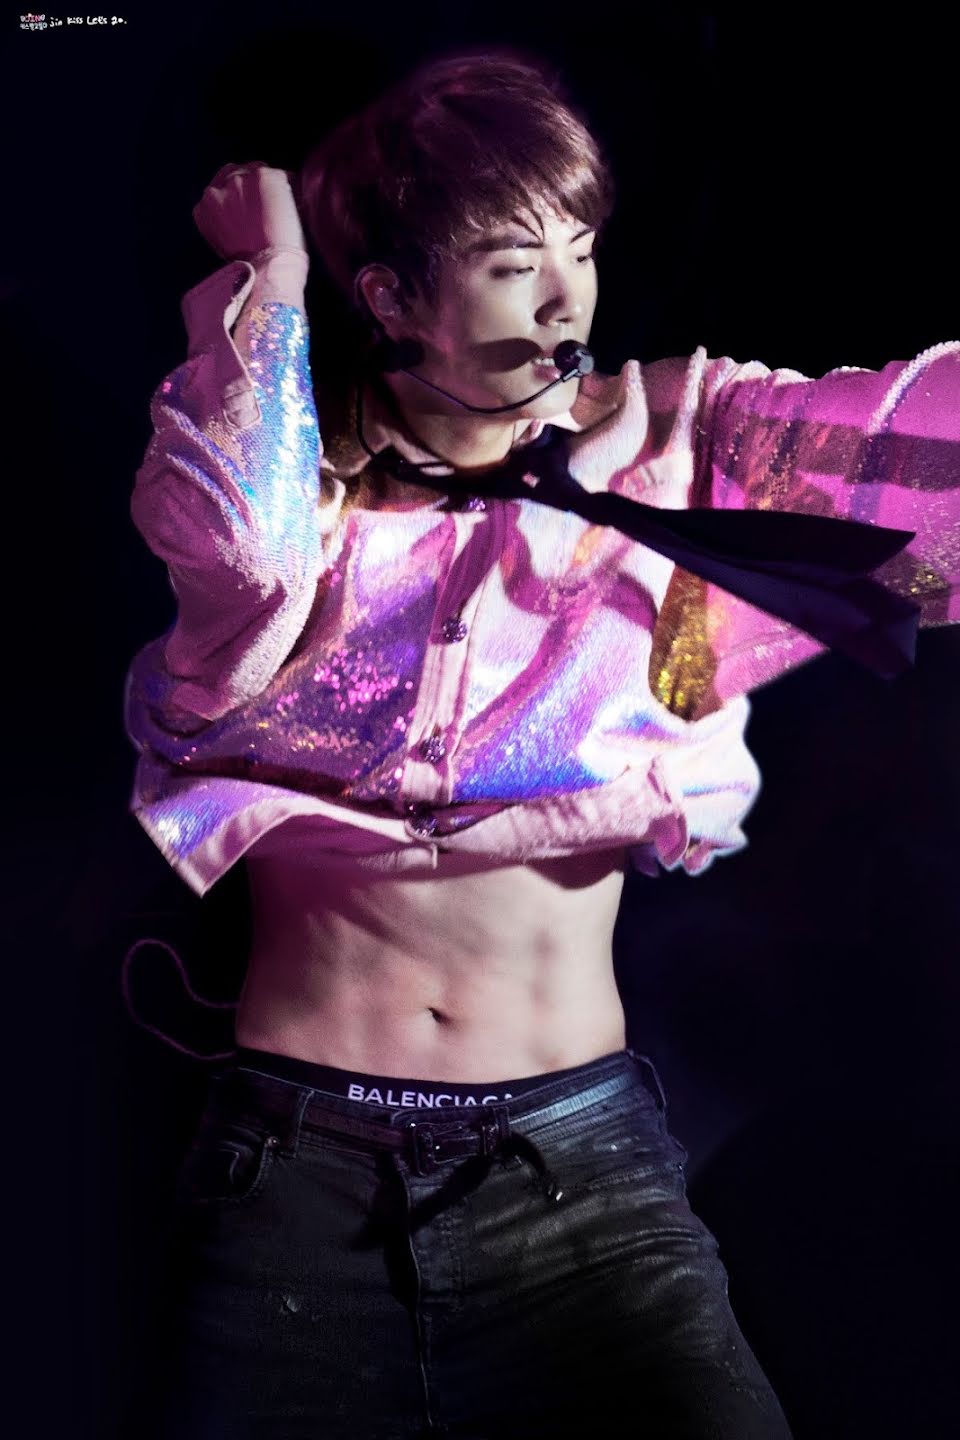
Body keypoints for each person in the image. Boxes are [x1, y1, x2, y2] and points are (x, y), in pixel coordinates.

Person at [122, 46, 958, 1440]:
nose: (569, 298)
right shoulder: (300, 497)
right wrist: (269, 278)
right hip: (290, 1185)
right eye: (517, 264)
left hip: (578, 1179)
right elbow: (239, 548)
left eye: (581, 248)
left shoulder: (680, 456)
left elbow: (939, 465)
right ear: (393, 296)